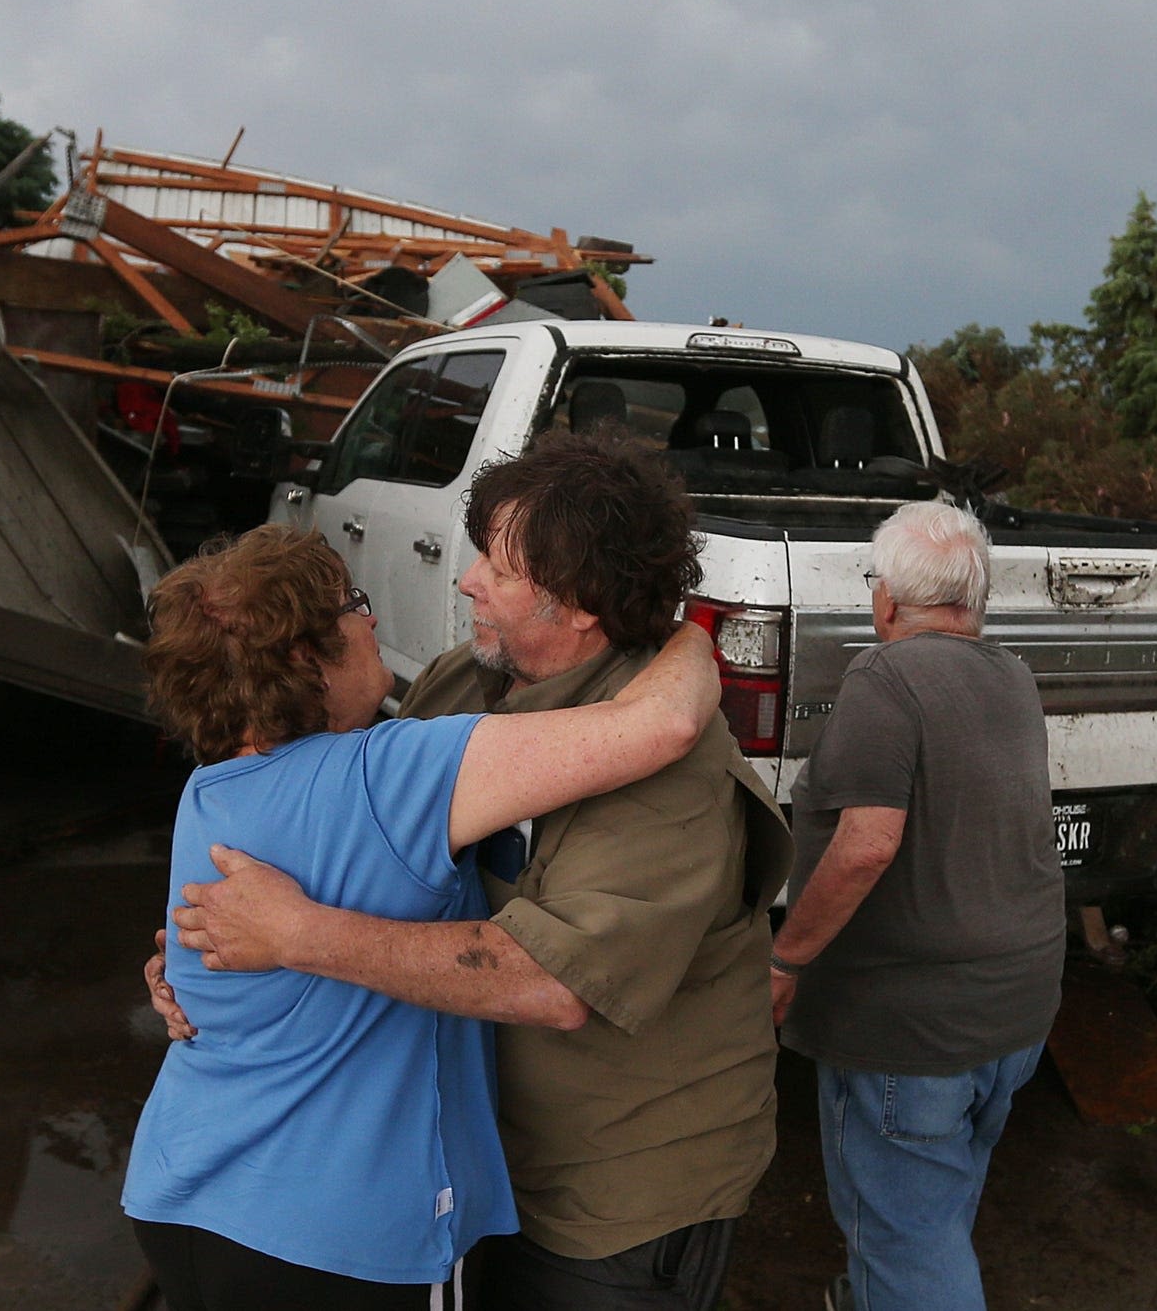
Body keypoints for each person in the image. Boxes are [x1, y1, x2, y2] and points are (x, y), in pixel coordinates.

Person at [158, 433, 792, 1311]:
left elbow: (554, 982)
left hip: (610, 1198)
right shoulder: (467, 681)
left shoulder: (668, 778)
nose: (466, 581)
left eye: (499, 565)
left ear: (580, 603)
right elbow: (330, 830)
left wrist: (294, 935)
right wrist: (200, 963)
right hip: (478, 1172)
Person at [765, 500, 1062, 1311]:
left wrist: (784, 957)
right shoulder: (1012, 675)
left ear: (887, 598)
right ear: (975, 600)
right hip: (1014, 1013)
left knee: (909, 1248)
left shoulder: (885, 676)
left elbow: (865, 844)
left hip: (912, 1032)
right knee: (935, 1210)